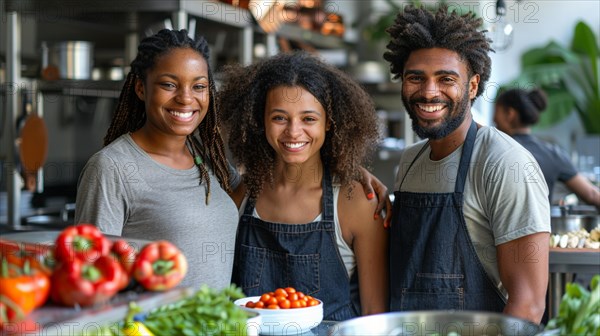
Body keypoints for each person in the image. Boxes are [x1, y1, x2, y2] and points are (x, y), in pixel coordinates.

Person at [74, 29, 390, 290]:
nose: (186, 98)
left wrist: (346, 166)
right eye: (169, 85)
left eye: (198, 86)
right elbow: (87, 275)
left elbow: (284, 162)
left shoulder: (210, 161)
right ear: (141, 88)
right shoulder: (111, 168)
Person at [383, 6, 550, 323]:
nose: (429, 92)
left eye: (446, 79)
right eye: (415, 78)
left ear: (473, 86)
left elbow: (528, 305)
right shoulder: (409, 160)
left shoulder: (504, 163)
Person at [218, 52, 389, 321]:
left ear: (329, 123)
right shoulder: (241, 194)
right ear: (260, 121)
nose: (293, 132)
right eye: (279, 118)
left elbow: (374, 316)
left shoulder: (356, 202)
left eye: (308, 119)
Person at [494, 88, 600, 208]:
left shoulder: (494, 149)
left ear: (510, 114)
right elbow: (591, 194)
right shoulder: (553, 154)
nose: (494, 119)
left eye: (496, 111)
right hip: (541, 226)